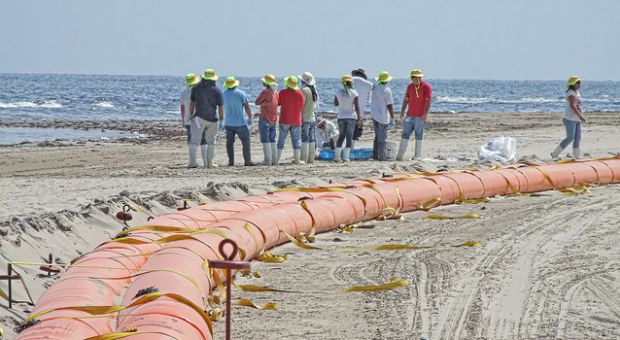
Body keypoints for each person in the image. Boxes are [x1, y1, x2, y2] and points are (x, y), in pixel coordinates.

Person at [188, 68, 223, 168]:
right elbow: (220, 107)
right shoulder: (217, 91)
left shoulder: (196, 88)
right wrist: (222, 118)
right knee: (211, 141)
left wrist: (191, 114)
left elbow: (192, 103)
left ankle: (192, 163)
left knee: (194, 141)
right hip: (213, 119)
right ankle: (209, 164)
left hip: (199, 118)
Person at [397, 69, 432, 160]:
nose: (418, 80)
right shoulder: (410, 87)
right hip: (409, 115)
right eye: (416, 78)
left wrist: (425, 114)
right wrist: (402, 111)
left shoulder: (426, 87)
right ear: (412, 78)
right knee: (405, 134)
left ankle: (417, 156)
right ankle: (400, 156)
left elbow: (428, 101)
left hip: (420, 116)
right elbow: (406, 100)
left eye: (419, 78)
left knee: (418, 135)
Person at [551, 76, 587, 160]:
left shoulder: (577, 92)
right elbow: (573, 106)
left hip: (576, 119)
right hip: (570, 119)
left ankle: (576, 156)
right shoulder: (570, 93)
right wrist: (581, 116)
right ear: (573, 84)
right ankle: (555, 153)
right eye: (578, 83)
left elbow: (578, 105)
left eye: (579, 83)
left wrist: (580, 116)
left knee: (578, 138)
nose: (579, 84)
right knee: (570, 138)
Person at [222, 76, 255, 166]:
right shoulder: (241, 93)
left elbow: (220, 107)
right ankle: (247, 161)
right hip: (240, 123)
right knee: (246, 142)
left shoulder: (223, 94)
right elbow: (247, 106)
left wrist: (221, 120)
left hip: (228, 123)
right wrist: (250, 117)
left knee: (229, 143)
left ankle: (231, 161)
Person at [277, 76, 305, 165]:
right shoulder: (300, 94)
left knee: (281, 140)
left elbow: (278, 103)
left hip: (284, 119)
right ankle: (297, 160)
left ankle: (276, 159)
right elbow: (301, 107)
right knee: (296, 140)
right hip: (296, 120)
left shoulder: (282, 92)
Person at [334, 75, 361, 162]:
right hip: (351, 117)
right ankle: (346, 157)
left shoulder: (338, 92)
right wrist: (359, 118)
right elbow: (357, 107)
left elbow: (336, 104)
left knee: (341, 136)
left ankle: (337, 157)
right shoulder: (354, 93)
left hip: (341, 117)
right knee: (349, 137)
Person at [370, 71, 395, 161]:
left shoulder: (375, 88)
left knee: (377, 136)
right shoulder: (387, 90)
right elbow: (389, 105)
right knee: (382, 137)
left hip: (374, 115)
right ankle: (382, 156)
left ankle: (375, 155)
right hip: (383, 117)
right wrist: (392, 117)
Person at [255, 74, 279, 165]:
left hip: (265, 118)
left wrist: (264, 103)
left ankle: (267, 161)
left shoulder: (265, 91)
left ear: (266, 82)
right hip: (273, 119)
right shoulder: (275, 92)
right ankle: (275, 160)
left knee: (265, 140)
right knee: (272, 139)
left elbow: (257, 102)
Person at [300, 72, 319, 164]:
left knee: (305, 138)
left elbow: (301, 104)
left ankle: (304, 158)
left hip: (305, 117)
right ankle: (311, 158)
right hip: (312, 117)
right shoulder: (313, 90)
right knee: (312, 138)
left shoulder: (303, 90)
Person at [352, 68, 373, 148]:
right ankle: (350, 149)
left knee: (347, 132)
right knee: (356, 132)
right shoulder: (365, 83)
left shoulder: (349, 81)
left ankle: (346, 149)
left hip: (346, 111)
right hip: (358, 112)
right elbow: (374, 88)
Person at [180, 73, 200, 144]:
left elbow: (182, 109)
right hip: (197, 118)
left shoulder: (183, 93)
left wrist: (183, 120)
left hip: (187, 118)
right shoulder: (198, 91)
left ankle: (191, 151)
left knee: (190, 136)